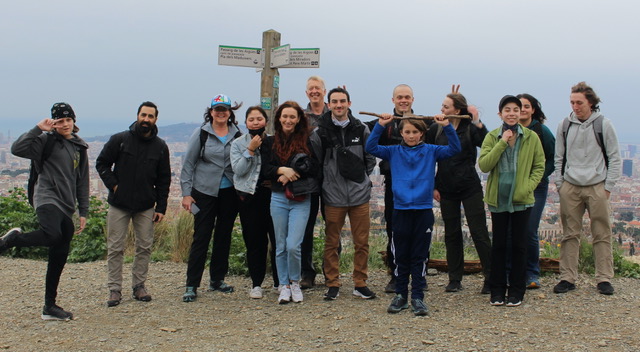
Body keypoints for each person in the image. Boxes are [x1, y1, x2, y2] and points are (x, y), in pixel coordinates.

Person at [366, 113, 461, 316]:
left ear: (422, 134)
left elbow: (455, 149)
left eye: (415, 132)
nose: (411, 136)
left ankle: (417, 296)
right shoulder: (393, 151)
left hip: (423, 209)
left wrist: (446, 126)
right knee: (400, 255)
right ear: (401, 133)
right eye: (407, 132)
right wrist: (381, 125)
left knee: (419, 256)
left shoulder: (431, 151)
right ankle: (400, 295)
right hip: (400, 209)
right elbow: (370, 148)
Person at [1, 102, 89, 320]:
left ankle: (49, 307)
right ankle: (10, 240)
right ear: (54, 123)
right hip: (47, 197)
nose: (66, 124)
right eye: (60, 121)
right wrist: (38, 128)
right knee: (52, 235)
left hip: (67, 204)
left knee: (59, 253)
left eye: (69, 120)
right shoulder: (44, 141)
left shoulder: (80, 147)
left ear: (74, 121)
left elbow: (82, 181)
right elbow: (17, 149)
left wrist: (83, 211)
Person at [96, 101, 171, 307]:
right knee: (115, 247)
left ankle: (139, 286)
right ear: (137, 116)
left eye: (150, 116)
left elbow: (164, 179)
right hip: (119, 203)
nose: (146, 119)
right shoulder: (120, 140)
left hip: (146, 205)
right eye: (143, 115)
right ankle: (114, 289)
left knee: (144, 246)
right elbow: (102, 163)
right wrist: (114, 185)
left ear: (155, 119)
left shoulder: (160, 147)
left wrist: (161, 207)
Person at [553, 82, 621, 296]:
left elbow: (614, 157)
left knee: (601, 232)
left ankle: (603, 278)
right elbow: (559, 157)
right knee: (569, 233)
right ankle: (567, 277)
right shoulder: (565, 125)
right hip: (571, 185)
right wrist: (560, 184)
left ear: (590, 102)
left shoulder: (603, 124)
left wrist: (607, 187)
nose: (575, 106)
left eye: (579, 102)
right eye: (572, 102)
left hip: (596, 185)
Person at [310, 88, 377, 300]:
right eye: (334, 101)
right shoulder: (319, 132)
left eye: (342, 101)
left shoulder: (361, 128)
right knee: (331, 242)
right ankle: (333, 282)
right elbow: (317, 162)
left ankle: (360, 282)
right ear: (328, 104)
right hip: (333, 195)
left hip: (358, 195)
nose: (339, 105)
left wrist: (362, 181)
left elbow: (370, 158)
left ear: (349, 103)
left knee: (362, 241)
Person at [478, 95, 544, 307]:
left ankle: (516, 291)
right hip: (498, 198)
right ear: (500, 114)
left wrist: (528, 187)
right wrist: (502, 142)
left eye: (516, 109)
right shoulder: (492, 136)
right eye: (507, 110)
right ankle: (497, 291)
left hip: (521, 199)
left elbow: (539, 166)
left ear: (521, 112)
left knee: (519, 245)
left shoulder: (531, 137)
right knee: (498, 246)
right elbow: (485, 165)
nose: (512, 113)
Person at [425, 91, 492, 294]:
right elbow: (430, 157)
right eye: (442, 106)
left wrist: (477, 120)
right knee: (451, 233)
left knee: (479, 232)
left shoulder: (469, 128)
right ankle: (455, 278)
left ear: (457, 109)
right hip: (446, 186)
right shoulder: (437, 129)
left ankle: (490, 277)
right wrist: (433, 185)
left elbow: (485, 142)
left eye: (446, 107)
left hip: (469, 185)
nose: (442, 110)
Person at [180, 94, 243, 302]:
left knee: (223, 236)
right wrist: (186, 194)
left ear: (230, 112)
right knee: (202, 236)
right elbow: (188, 163)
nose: (221, 113)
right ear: (211, 112)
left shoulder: (236, 133)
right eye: (217, 109)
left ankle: (217, 279)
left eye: (224, 109)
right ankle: (192, 284)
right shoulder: (202, 133)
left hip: (229, 191)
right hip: (204, 191)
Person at [364, 84, 423, 293]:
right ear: (393, 100)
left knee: (419, 232)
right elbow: (360, 131)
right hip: (393, 184)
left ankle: (418, 276)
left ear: (412, 99)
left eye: (407, 97)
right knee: (394, 229)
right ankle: (395, 273)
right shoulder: (385, 122)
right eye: (400, 97)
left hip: (419, 185)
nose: (403, 100)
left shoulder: (421, 123)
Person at [260, 101, 319, 304]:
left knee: (294, 245)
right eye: (285, 116)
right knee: (280, 245)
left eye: (292, 116)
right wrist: (281, 171)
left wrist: (292, 172)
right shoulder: (269, 142)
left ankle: (295, 281)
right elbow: (264, 169)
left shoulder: (308, 140)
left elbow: (314, 167)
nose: (288, 120)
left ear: (299, 119)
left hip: (301, 198)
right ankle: (283, 285)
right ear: (278, 118)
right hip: (278, 197)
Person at [230, 106, 278, 299]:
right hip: (249, 196)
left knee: (277, 240)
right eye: (251, 119)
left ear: (266, 121)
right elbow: (239, 170)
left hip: (272, 196)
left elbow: (277, 166)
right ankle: (256, 283)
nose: (255, 122)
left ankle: (278, 281)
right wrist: (250, 150)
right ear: (246, 122)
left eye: (259, 119)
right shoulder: (238, 144)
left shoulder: (274, 142)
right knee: (254, 241)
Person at [516, 93, 556, 289]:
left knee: (530, 229)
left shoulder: (542, 131)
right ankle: (513, 270)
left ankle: (532, 273)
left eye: (526, 106)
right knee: (512, 230)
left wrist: (538, 177)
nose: (522, 109)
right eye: (519, 106)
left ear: (533, 109)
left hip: (537, 186)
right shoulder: (509, 130)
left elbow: (552, 158)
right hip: (514, 185)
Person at [300, 76, 330, 289]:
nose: (314, 92)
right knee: (306, 227)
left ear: (324, 91)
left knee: (333, 227)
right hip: (308, 178)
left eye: (317, 88)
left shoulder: (335, 113)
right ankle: (307, 273)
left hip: (332, 178)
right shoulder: (301, 117)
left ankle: (331, 272)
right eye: (311, 89)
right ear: (307, 93)